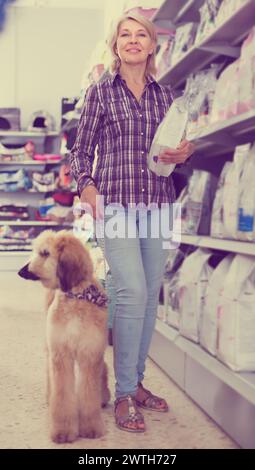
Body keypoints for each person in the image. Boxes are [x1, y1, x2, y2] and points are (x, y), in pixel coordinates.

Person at [70, 12, 195, 433]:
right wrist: (86, 186)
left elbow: (174, 146)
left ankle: (136, 383)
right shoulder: (101, 93)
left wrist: (184, 152)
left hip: (159, 205)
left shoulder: (165, 95)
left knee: (149, 295)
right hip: (117, 207)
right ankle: (124, 394)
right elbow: (79, 152)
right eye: (125, 34)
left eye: (141, 34)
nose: (133, 40)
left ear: (153, 45)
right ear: (116, 44)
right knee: (132, 290)